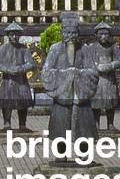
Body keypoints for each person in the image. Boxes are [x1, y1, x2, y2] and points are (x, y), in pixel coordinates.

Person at [41, 13, 98, 156]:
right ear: (61, 33)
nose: (70, 35)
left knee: (83, 129)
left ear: (77, 33)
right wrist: (66, 74)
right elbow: (46, 72)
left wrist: (78, 74)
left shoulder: (85, 49)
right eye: (67, 32)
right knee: (60, 129)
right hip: (62, 96)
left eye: (73, 32)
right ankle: (61, 156)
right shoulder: (55, 49)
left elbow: (93, 72)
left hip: (80, 96)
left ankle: (83, 155)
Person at [0, 22, 35, 131]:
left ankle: (22, 124)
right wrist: (8, 69)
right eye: (12, 34)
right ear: (8, 35)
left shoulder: (24, 49)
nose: (14, 37)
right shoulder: (3, 49)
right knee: (7, 102)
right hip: (8, 80)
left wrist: (20, 69)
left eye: (16, 34)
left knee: (23, 102)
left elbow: (31, 63)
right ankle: (7, 124)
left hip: (21, 80)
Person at [86, 22, 120, 131]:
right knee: (95, 103)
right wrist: (96, 67)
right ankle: (95, 124)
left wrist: (109, 66)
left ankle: (110, 124)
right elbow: (88, 61)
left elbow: (119, 61)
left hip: (109, 79)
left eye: (106, 34)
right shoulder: (91, 47)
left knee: (110, 103)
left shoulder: (113, 47)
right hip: (96, 79)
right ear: (96, 35)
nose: (103, 36)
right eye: (101, 34)